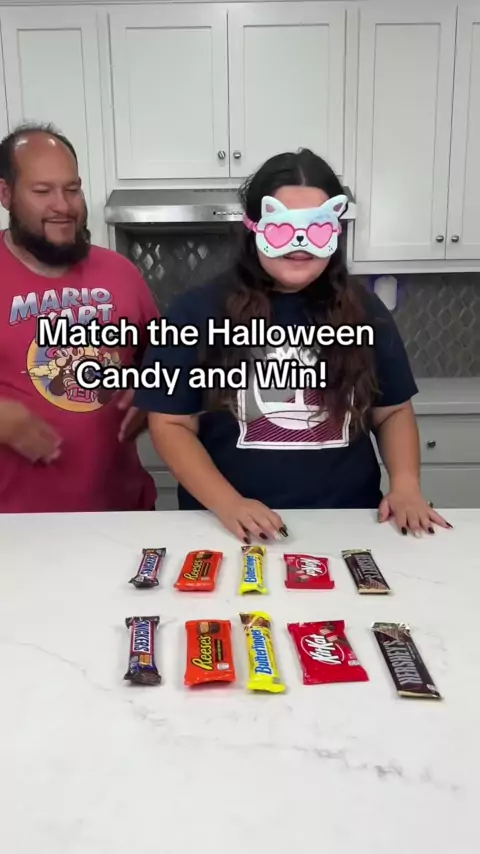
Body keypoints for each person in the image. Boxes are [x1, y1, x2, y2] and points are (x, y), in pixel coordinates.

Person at [135, 149, 450, 540]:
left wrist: (405, 486)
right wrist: (229, 504)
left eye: (317, 228)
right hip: (229, 528)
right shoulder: (194, 311)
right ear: (254, 228)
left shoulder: (367, 310)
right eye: (283, 227)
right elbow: (170, 424)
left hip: (352, 526)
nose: (300, 243)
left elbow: (393, 412)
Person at [0, 122, 158, 513]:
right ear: (6, 194)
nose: (63, 206)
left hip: (123, 513)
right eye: (42, 191)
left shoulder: (121, 272)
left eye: (72, 189)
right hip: (14, 526)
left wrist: (152, 391)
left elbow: (164, 359)